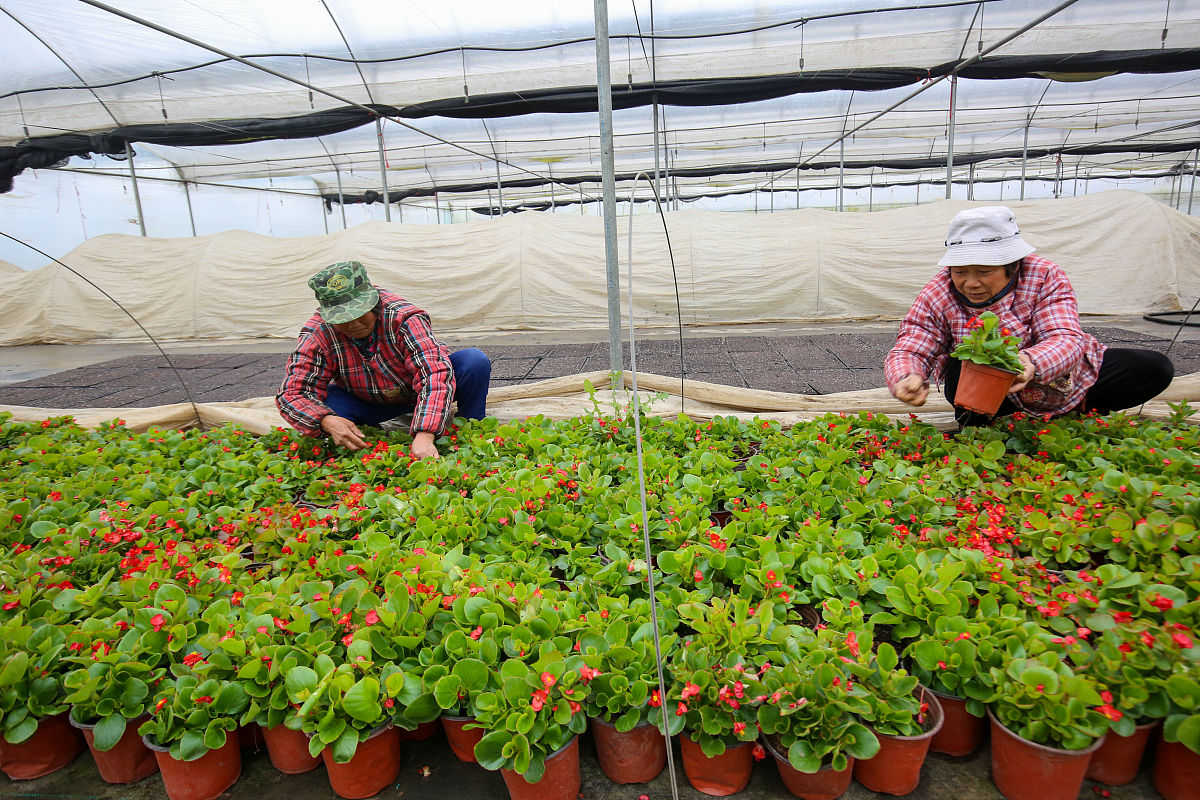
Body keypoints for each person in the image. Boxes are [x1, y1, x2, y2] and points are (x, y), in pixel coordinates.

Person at [885, 206, 1173, 423]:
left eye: (984, 272)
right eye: (960, 272)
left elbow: (1064, 337)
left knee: (1152, 368)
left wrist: (1029, 362)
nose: (970, 283)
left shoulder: (1044, 275)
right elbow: (914, 342)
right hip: (995, 393)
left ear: (1013, 265)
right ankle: (993, 422)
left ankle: (1077, 407)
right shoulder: (939, 291)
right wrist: (906, 376)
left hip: (1061, 380)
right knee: (964, 370)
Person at [276, 261, 490, 457]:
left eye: (360, 314)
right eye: (343, 320)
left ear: (373, 302)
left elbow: (433, 373)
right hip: (366, 400)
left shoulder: (403, 317)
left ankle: (469, 428)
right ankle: (362, 431)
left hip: (417, 392)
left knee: (473, 362)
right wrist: (326, 420)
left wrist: (425, 434)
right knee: (326, 404)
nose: (353, 324)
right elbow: (292, 393)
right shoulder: (317, 333)